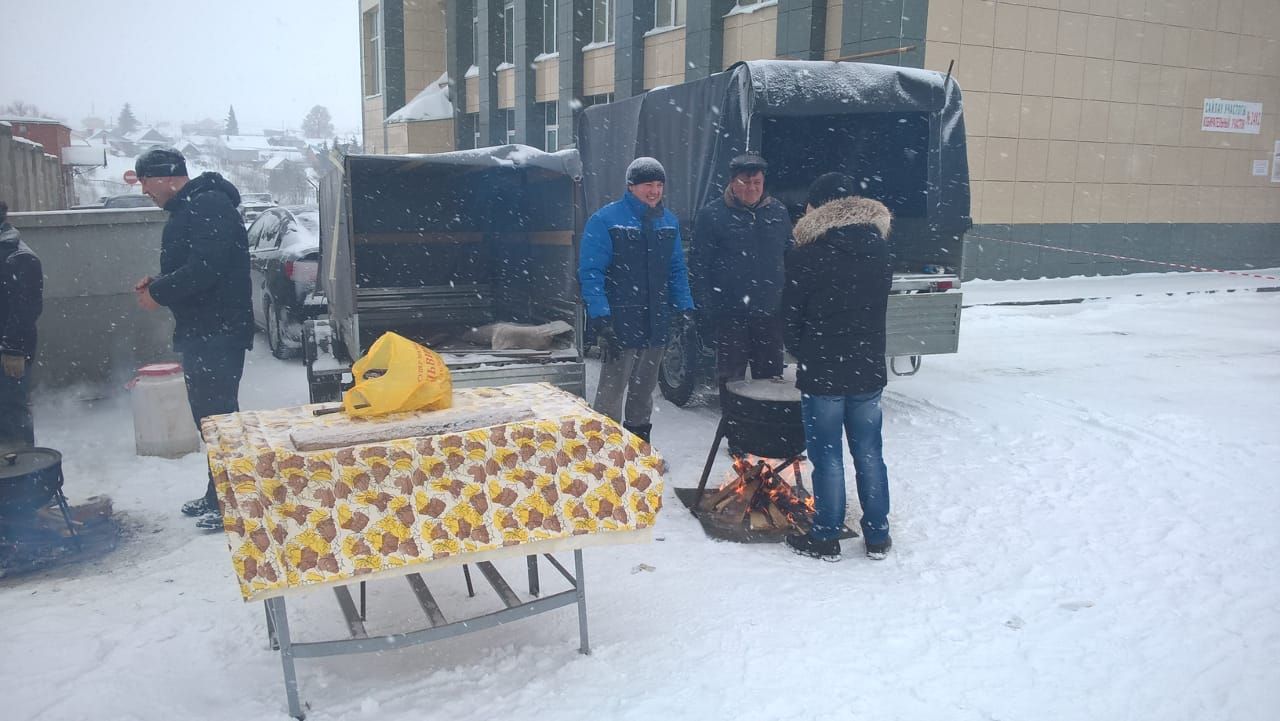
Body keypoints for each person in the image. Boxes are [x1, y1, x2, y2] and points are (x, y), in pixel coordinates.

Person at [132, 147, 254, 531]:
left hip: (217, 331)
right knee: (211, 419)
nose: (145, 191)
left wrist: (161, 292)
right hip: (205, 329)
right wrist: (160, 283)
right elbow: (196, 264)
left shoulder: (208, 205)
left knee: (219, 420)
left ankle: (232, 501)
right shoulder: (197, 206)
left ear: (168, 176)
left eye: (146, 182)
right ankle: (217, 492)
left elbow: (206, 269)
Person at [781, 172, 894, 561]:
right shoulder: (881, 251)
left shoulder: (804, 255)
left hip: (824, 373)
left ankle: (826, 536)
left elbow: (790, 320)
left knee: (827, 457)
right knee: (869, 453)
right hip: (867, 370)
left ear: (818, 207)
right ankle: (878, 535)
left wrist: (804, 350)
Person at [578, 157, 695, 443]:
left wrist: (685, 307)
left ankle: (639, 449)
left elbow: (676, 268)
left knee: (643, 392)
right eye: (647, 185)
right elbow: (591, 272)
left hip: (656, 321)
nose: (654, 191)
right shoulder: (606, 220)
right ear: (631, 187)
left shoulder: (668, 223)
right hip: (620, 322)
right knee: (611, 391)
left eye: (659, 185)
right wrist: (601, 317)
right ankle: (603, 453)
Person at [690, 152, 792, 386]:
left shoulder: (778, 213)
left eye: (757, 182)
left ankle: (764, 422)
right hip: (729, 315)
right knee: (731, 383)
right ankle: (734, 422)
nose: (751, 188)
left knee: (770, 383)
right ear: (732, 182)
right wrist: (705, 311)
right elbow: (698, 266)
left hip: (769, 314)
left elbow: (790, 258)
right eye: (745, 182)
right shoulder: (712, 215)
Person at [0, 200, 43, 451]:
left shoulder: (18, 256)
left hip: (7, 355)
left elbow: (26, 309)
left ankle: (21, 477)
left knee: (11, 414)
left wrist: (13, 349)